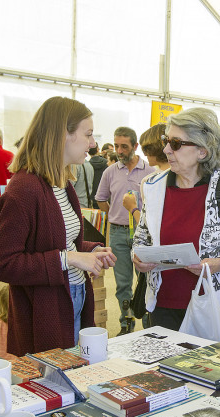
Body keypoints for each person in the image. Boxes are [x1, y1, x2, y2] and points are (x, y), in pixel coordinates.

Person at [0, 97, 116, 356]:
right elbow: (4, 264)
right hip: (47, 310)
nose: (92, 144)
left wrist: (90, 250)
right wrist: (69, 259)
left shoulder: (62, 184)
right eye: (88, 134)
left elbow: (59, 241)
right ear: (63, 135)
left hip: (74, 295)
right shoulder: (24, 190)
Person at [132, 108, 220, 331]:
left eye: (176, 144)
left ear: (202, 151)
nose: (166, 149)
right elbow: (141, 237)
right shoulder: (153, 185)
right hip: (162, 302)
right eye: (166, 140)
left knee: (204, 366)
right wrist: (138, 257)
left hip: (210, 302)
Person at [95, 126, 155, 335]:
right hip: (118, 233)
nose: (119, 151)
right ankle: (126, 322)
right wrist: (114, 214)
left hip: (143, 234)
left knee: (146, 280)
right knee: (122, 283)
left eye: (124, 147)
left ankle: (149, 322)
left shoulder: (150, 172)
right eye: (117, 146)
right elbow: (101, 198)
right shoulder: (110, 172)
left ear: (135, 146)